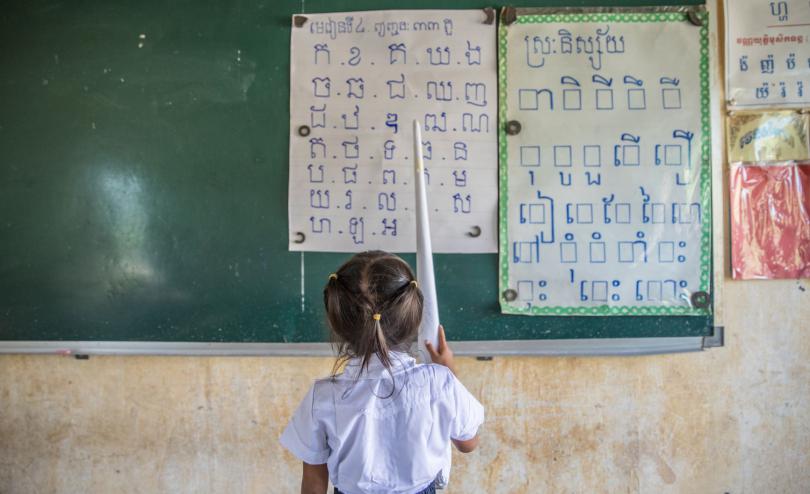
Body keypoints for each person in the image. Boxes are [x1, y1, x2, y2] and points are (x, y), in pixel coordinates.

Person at [280, 250, 484, 494]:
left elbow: (314, 484)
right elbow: (468, 443)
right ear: (414, 318)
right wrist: (447, 370)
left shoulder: (322, 397)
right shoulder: (439, 382)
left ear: (337, 323)